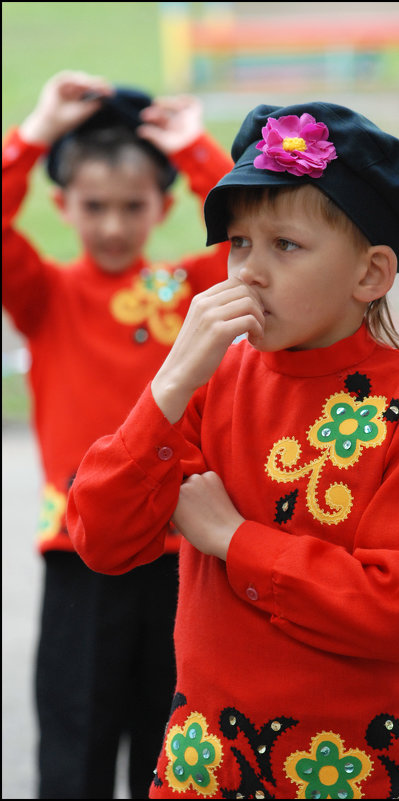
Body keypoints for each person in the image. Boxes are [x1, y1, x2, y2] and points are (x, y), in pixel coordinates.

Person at [67, 102, 399, 799]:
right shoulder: (210, 382)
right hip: (210, 765)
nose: (249, 272)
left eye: (285, 246)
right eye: (238, 244)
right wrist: (168, 384)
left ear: (371, 274)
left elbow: (391, 610)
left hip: (357, 768)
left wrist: (234, 538)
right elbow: (101, 537)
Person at [2, 70, 232, 799]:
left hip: (180, 552)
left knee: (176, 746)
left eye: (131, 207)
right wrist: (35, 133)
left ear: (161, 208)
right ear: (62, 205)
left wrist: (196, 150)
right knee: (76, 740)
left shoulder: (182, 294)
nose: (110, 224)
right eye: (93, 206)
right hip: (78, 553)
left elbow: (250, 251)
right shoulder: (47, 293)